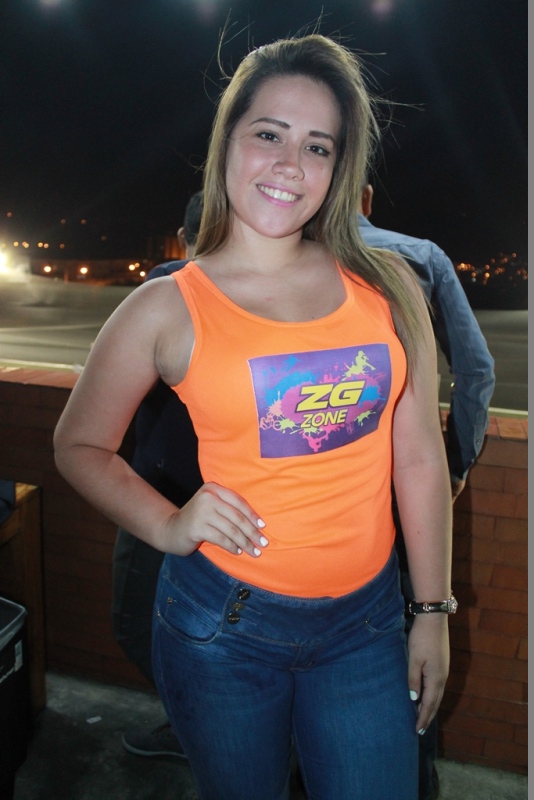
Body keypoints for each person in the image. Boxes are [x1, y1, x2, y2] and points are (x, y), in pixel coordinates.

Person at [54, 34, 454, 800]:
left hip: (367, 627)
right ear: (227, 143)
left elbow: (418, 458)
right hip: (224, 630)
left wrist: (432, 610)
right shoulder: (167, 306)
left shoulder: (390, 288)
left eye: (317, 146)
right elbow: (78, 445)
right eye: (268, 133)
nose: (290, 164)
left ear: (338, 168)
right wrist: (171, 525)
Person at [358, 184, 495, 800]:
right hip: (407, 493)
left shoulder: (285, 254)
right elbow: (477, 370)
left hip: (320, 502)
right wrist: (456, 464)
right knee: (411, 656)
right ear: (365, 197)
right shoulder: (418, 257)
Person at [112, 191, 203, 759]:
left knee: (135, 622)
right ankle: (206, 727)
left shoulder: (167, 287)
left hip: (167, 499)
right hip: (205, 502)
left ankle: (206, 729)